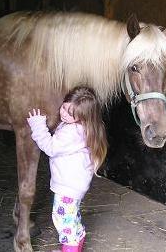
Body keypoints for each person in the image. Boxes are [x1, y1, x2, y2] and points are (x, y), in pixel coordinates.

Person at [27, 86, 108, 252]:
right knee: (71, 218)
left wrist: (37, 125)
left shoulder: (72, 132)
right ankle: (76, 242)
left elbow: (50, 147)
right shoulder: (83, 127)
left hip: (68, 186)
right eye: (64, 107)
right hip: (75, 185)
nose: (64, 114)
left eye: (71, 113)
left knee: (63, 220)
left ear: (82, 116)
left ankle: (70, 248)